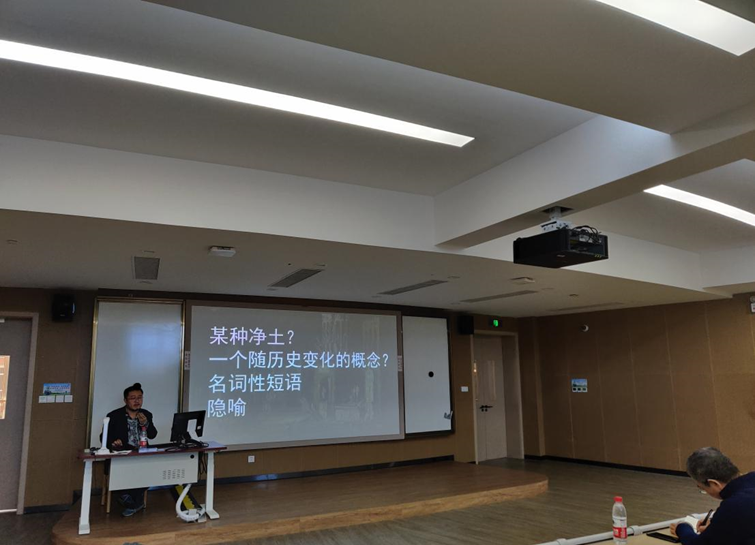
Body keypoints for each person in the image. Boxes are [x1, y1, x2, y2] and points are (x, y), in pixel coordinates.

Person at [670, 447, 755, 545]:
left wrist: (682, 528)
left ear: (714, 484)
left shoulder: (734, 505)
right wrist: (717, 525)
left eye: (703, 488)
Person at [102, 382, 158, 517]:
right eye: (133, 398)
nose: (137, 401)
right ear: (125, 400)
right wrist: (114, 443)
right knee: (121, 472)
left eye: (139, 398)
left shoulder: (146, 414)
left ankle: (129, 499)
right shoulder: (114, 416)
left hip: (142, 454)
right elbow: (103, 437)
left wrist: (145, 423)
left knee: (152, 470)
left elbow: (153, 435)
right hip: (123, 456)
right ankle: (134, 502)